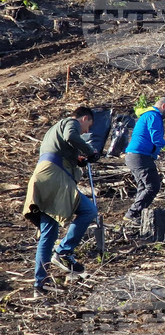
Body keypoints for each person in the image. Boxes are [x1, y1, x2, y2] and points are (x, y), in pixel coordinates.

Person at [22, 106, 99, 297]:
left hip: (43, 178)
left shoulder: (52, 131)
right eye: (88, 126)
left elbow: (60, 150)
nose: (86, 131)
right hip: (54, 179)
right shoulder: (71, 122)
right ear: (85, 118)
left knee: (49, 233)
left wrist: (78, 160)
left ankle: (40, 284)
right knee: (89, 210)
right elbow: (71, 136)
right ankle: (64, 251)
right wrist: (90, 151)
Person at [122, 98, 165, 228]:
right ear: (163, 106)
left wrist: (158, 151)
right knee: (153, 186)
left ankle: (136, 216)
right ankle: (132, 214)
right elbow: (156, 137)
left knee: (143, 187)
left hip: (134, 156)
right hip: (140, 156)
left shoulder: (148, 115)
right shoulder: (153, 116)